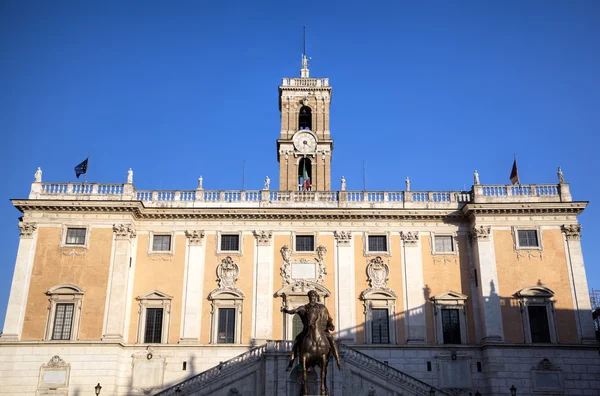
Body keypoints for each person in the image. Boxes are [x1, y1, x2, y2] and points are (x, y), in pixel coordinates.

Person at [282, 290, 342, 371]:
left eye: (314, 296)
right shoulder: (305, 307)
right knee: (297, 341)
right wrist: (286, 311)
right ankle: (291, 363)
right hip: (307, 330)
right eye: (311, 296)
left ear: (316, 297)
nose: (312, 297)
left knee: (331, 339)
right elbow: (295, 311)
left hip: (322, 331)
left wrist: (331, 325)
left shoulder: (322, 308)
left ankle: (338, 360)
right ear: (309, 297)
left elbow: (329, 318)